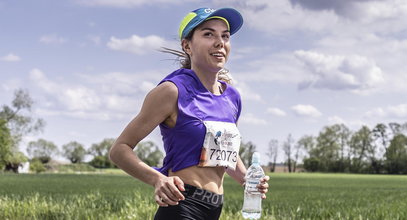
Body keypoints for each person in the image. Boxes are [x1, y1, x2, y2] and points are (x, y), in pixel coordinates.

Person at [109, 7, 270, 220]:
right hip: (182, 205)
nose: (219, 42)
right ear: (187, 46)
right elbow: (119, 150)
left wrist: (246, 178)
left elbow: (223, 151)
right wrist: (158, 179)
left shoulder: (232, 97)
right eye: (208, 34)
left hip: (214, 208)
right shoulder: (172, 91)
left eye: (225, 36)